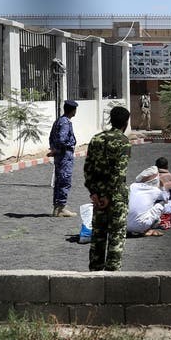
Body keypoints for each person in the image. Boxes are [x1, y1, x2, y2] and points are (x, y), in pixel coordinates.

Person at [83, 105, 132, 272]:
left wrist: (94, 193)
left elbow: (88, 169)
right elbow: (119, 172)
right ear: (126, 122)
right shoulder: (123, 142)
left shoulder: (96, 139)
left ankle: (95, 273)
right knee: (116, 235)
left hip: (98, 196)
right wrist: (109, 196)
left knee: (98, 235)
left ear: (111, 120)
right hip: (116, 197)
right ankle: (112, 275)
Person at [49, 99, 78, 217]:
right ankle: (61, 207)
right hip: (65, 155)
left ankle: (57, 208)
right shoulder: (65, 122)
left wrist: (54, 149)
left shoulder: (59, 121)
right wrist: (62, 148)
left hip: (60, 155)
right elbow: (62, 139)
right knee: (64, 180)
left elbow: (51, 137)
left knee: (59, 180)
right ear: (73, 110)